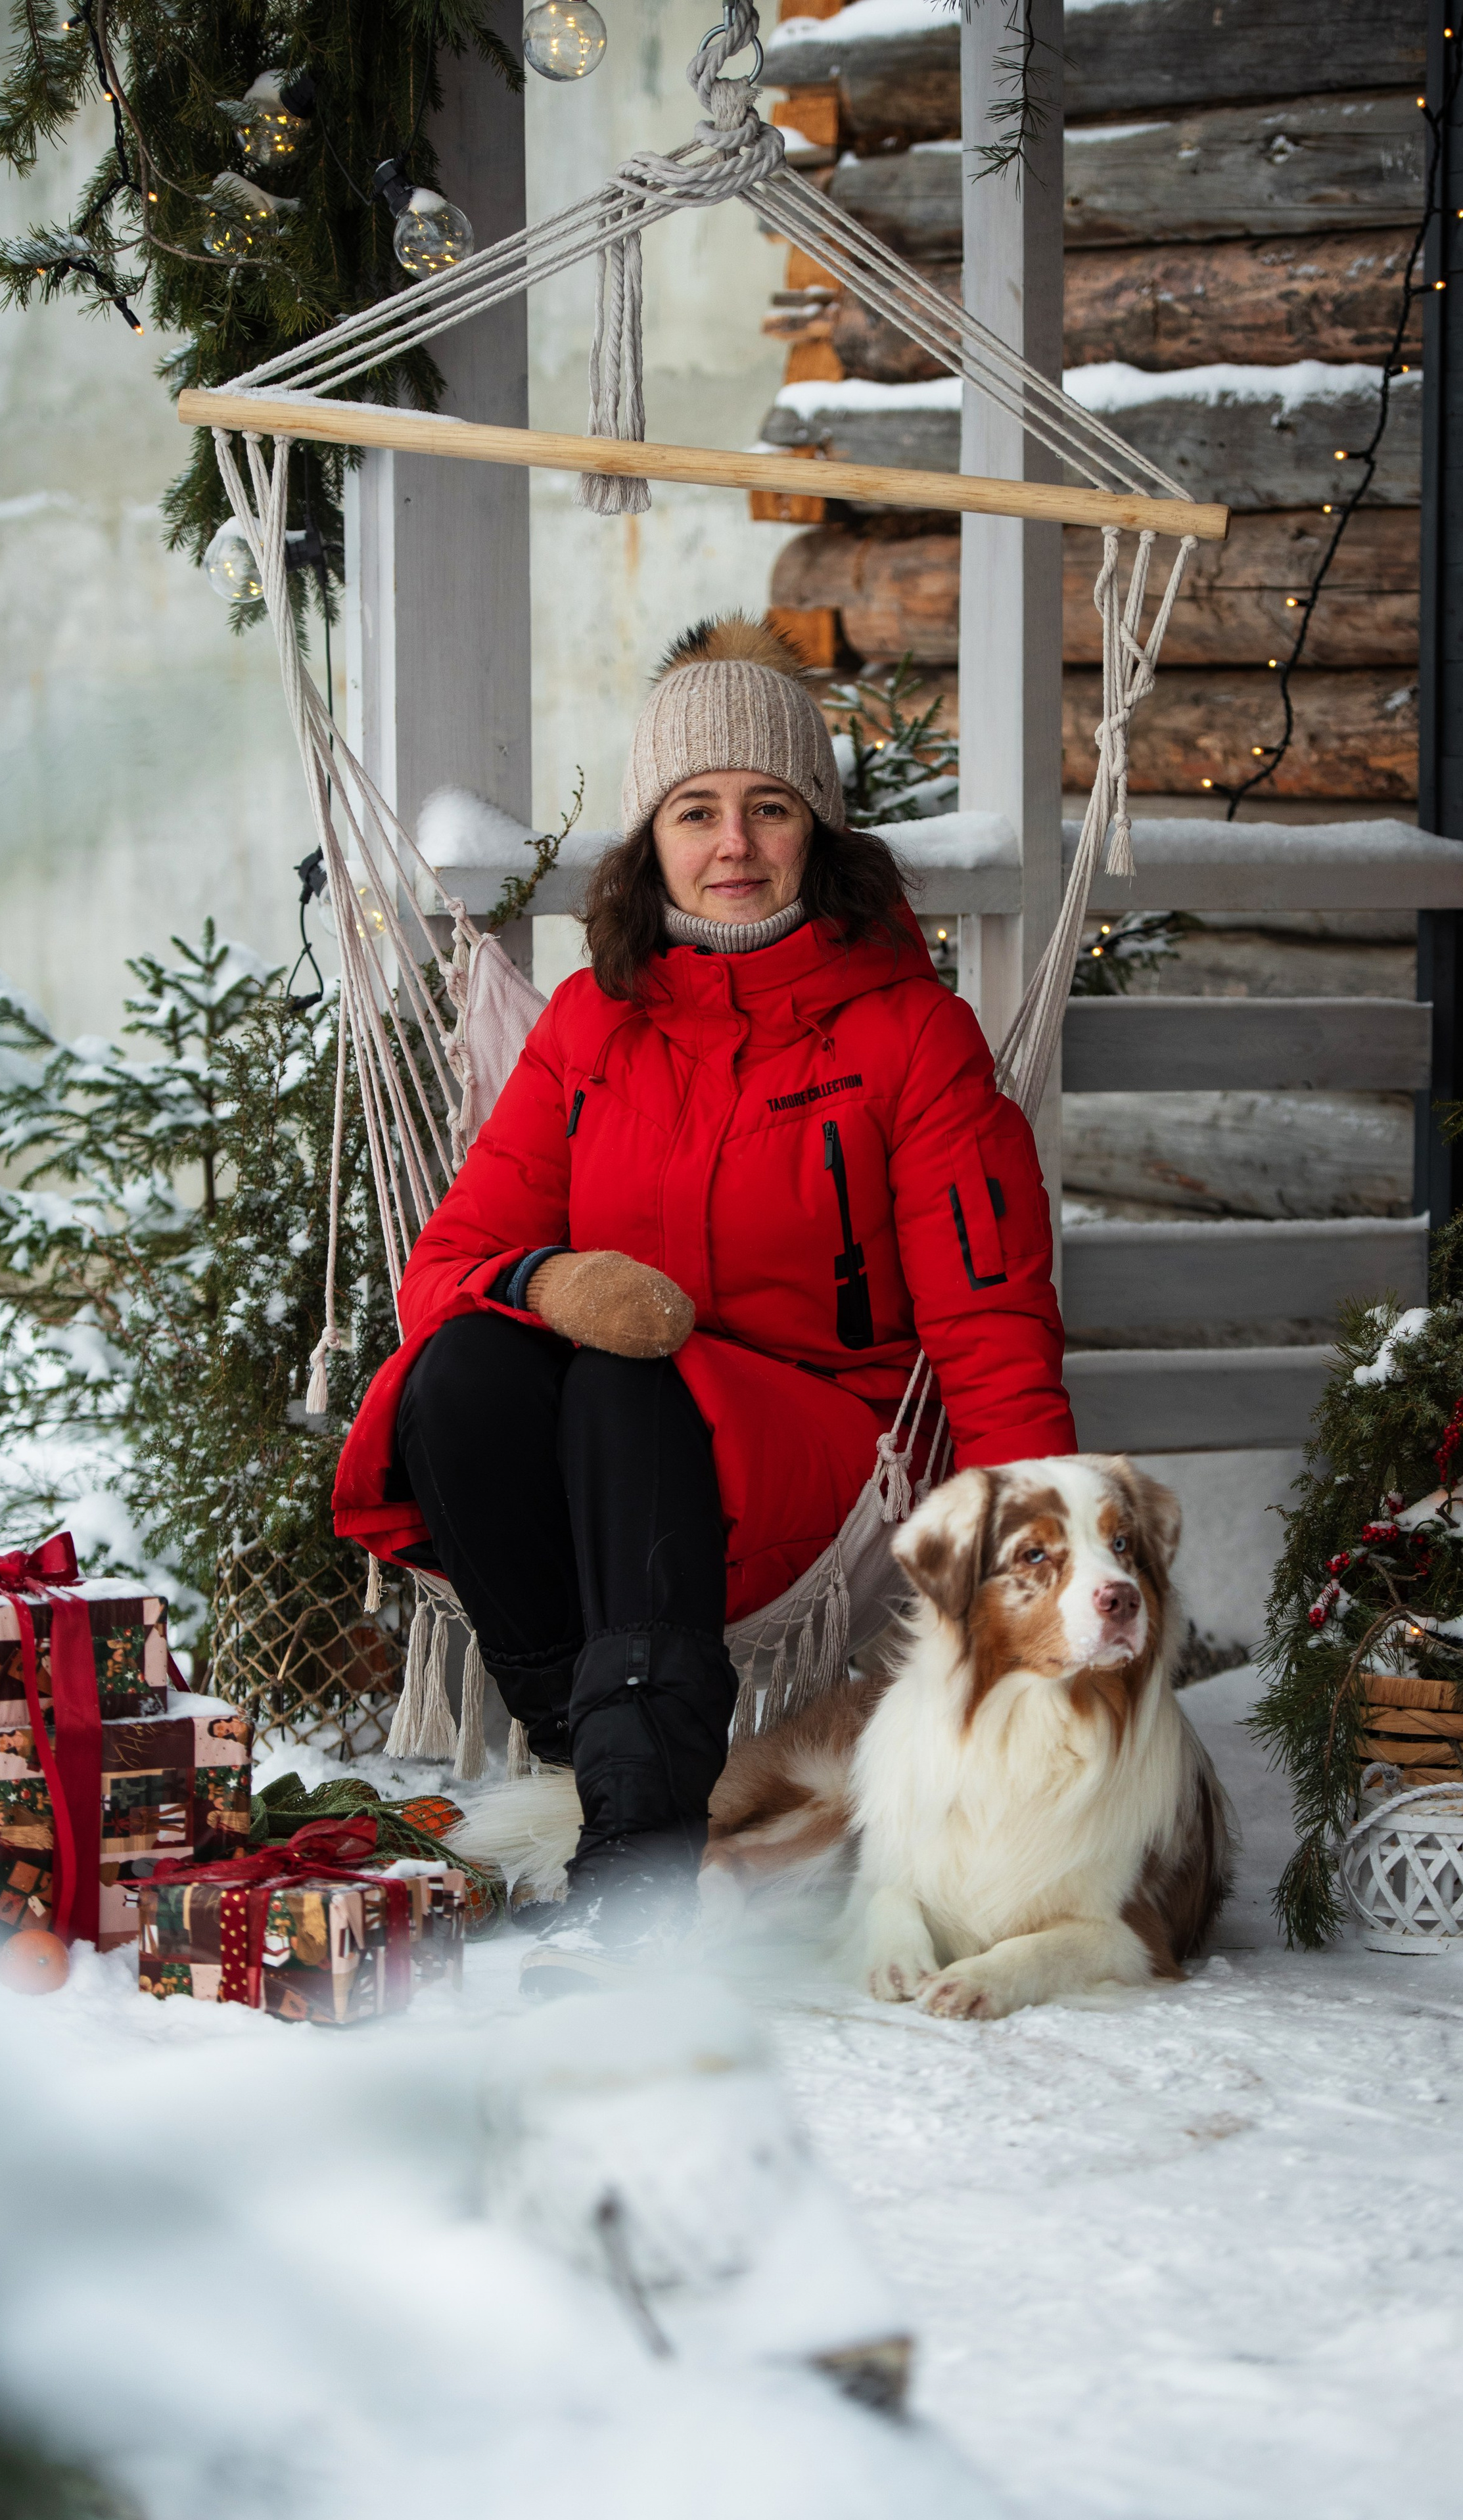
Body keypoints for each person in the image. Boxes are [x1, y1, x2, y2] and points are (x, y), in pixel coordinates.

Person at [333, 616, 1077, 1950]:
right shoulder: (589, 1025)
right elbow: (446, 1268)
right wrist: (552, 1281)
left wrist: (1041, 1570)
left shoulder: (911, 1037)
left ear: (817, 830)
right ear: (650, 838)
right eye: (695, 811)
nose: (731, 846)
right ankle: (593, 1748)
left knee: (626, 1388)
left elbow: (986, 1315)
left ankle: (635, 1866)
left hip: (825, 1452)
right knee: (461, 1372)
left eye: (767, 807)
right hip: (621, 1471)